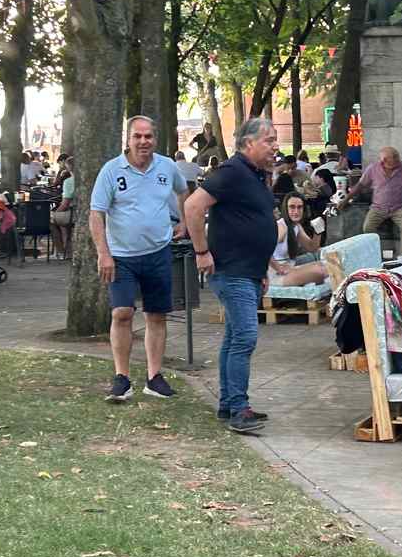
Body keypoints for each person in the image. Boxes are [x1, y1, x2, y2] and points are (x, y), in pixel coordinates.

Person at [183, 118, 281, 435]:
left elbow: (255, 221)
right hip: (231, 270)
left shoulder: (255, 176)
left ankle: (228, 404)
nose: (275, 146)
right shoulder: (231, 171)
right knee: (245, 337)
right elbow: (193, 206)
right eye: (269, 140)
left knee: (233, 338)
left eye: (275, 140)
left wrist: (262, 268)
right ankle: (240, 409)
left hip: (249, 271)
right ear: (248, 143)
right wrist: (201, 251)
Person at [90, 116, 191, 403]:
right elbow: (96, 213)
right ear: (128, 139)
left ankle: (154, 377)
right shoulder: (111, 171)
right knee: (121, 313)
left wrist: (183, 222)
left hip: (158, 253)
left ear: (155, 139)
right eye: (138, 136)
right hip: (121, 257)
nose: (143, 141)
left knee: (156, 315)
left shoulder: (167, 167)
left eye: (148, 136)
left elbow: (184, 192)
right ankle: (122, 378)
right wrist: (103, 253)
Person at [268, 193, 326, 287]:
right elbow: (262, 249)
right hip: (275, 275)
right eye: (292, 207)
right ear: (285, 209)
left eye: (299, 207)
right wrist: (278, 268)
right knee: (320, 271)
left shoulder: (296, 226)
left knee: (326, 266)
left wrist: (318, 231)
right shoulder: (281, 227)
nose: (296, 211)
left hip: (290, 268)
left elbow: (312, 248)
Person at [50, 162, 75, 260]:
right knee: (62, 222)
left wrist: (55, 213)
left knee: (51, 220)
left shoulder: (69, 181)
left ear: (69, 168)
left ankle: (61, 251)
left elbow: (65, 204)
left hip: (72, 213)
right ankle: (67, 248)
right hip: (83, 213)